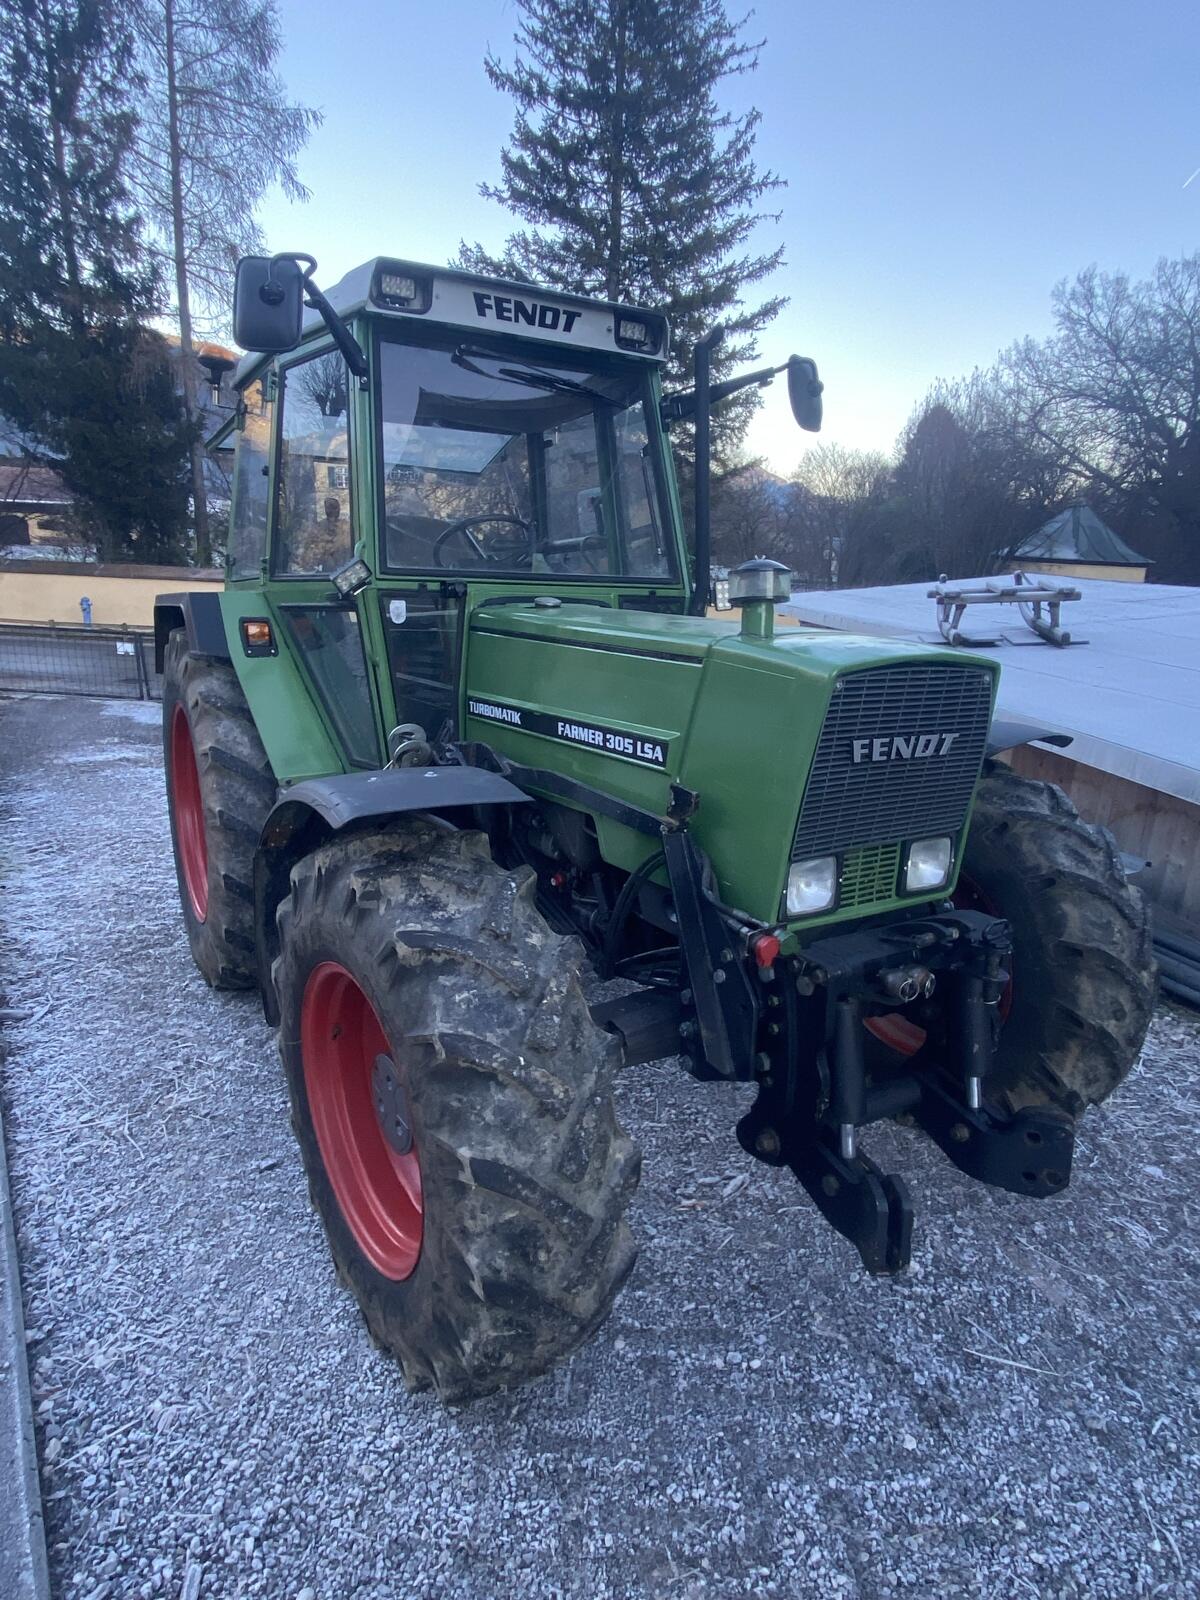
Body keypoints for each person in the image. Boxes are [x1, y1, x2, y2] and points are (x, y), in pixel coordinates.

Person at [293, 494, 352, 573]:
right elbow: (310, 556)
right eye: (329, 508)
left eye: (334, 507)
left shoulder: (346, 527)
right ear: (325, 509)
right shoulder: (318, 527)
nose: (332, 511)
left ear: (339, 509)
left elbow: (348, 545)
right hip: (325, 573)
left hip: (346, 567)